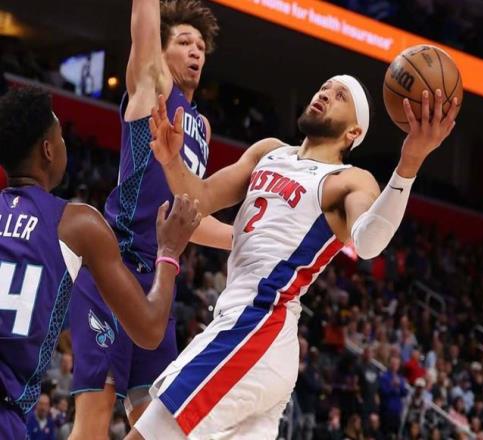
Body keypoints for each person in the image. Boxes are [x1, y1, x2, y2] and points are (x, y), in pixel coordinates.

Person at [129, 76, 459, 439]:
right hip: (255, 339)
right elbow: (201, 198)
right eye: (325, 88)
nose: (325, 94)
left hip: (256, 326)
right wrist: (171, 160)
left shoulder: (348, 180)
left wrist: (409, 164)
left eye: (340, 96)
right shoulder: (269, 151)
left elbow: (368, 243)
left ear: (353, 132)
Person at [69, 1, 231, 438]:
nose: (195, 51)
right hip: (114, 269)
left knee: (158, 426)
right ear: (160, 52)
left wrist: (245, 238)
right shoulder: (153, 88)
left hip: (160, 279)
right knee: (95, 419)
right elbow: (143, 24)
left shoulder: (202, 127)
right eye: (184, 42)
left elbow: (190, 215)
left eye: (201, 47)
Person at [0, 87, 200, 439]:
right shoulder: (77, 224)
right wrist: (169, 251)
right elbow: (150, 330)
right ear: (48, 150)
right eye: (61, 137)